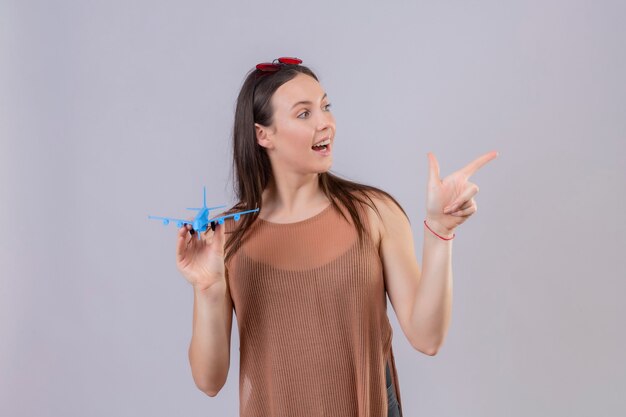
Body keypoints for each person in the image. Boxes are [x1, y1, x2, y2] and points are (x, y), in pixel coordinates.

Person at [175, 56, 498, 417]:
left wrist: (440, 231)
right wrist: (207, 289)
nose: (325, 122)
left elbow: (428, 338)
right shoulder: (226, 238)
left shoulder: (373, 213)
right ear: (262, 134)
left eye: (326, 107)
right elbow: (208, 381)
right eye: (303, 114)